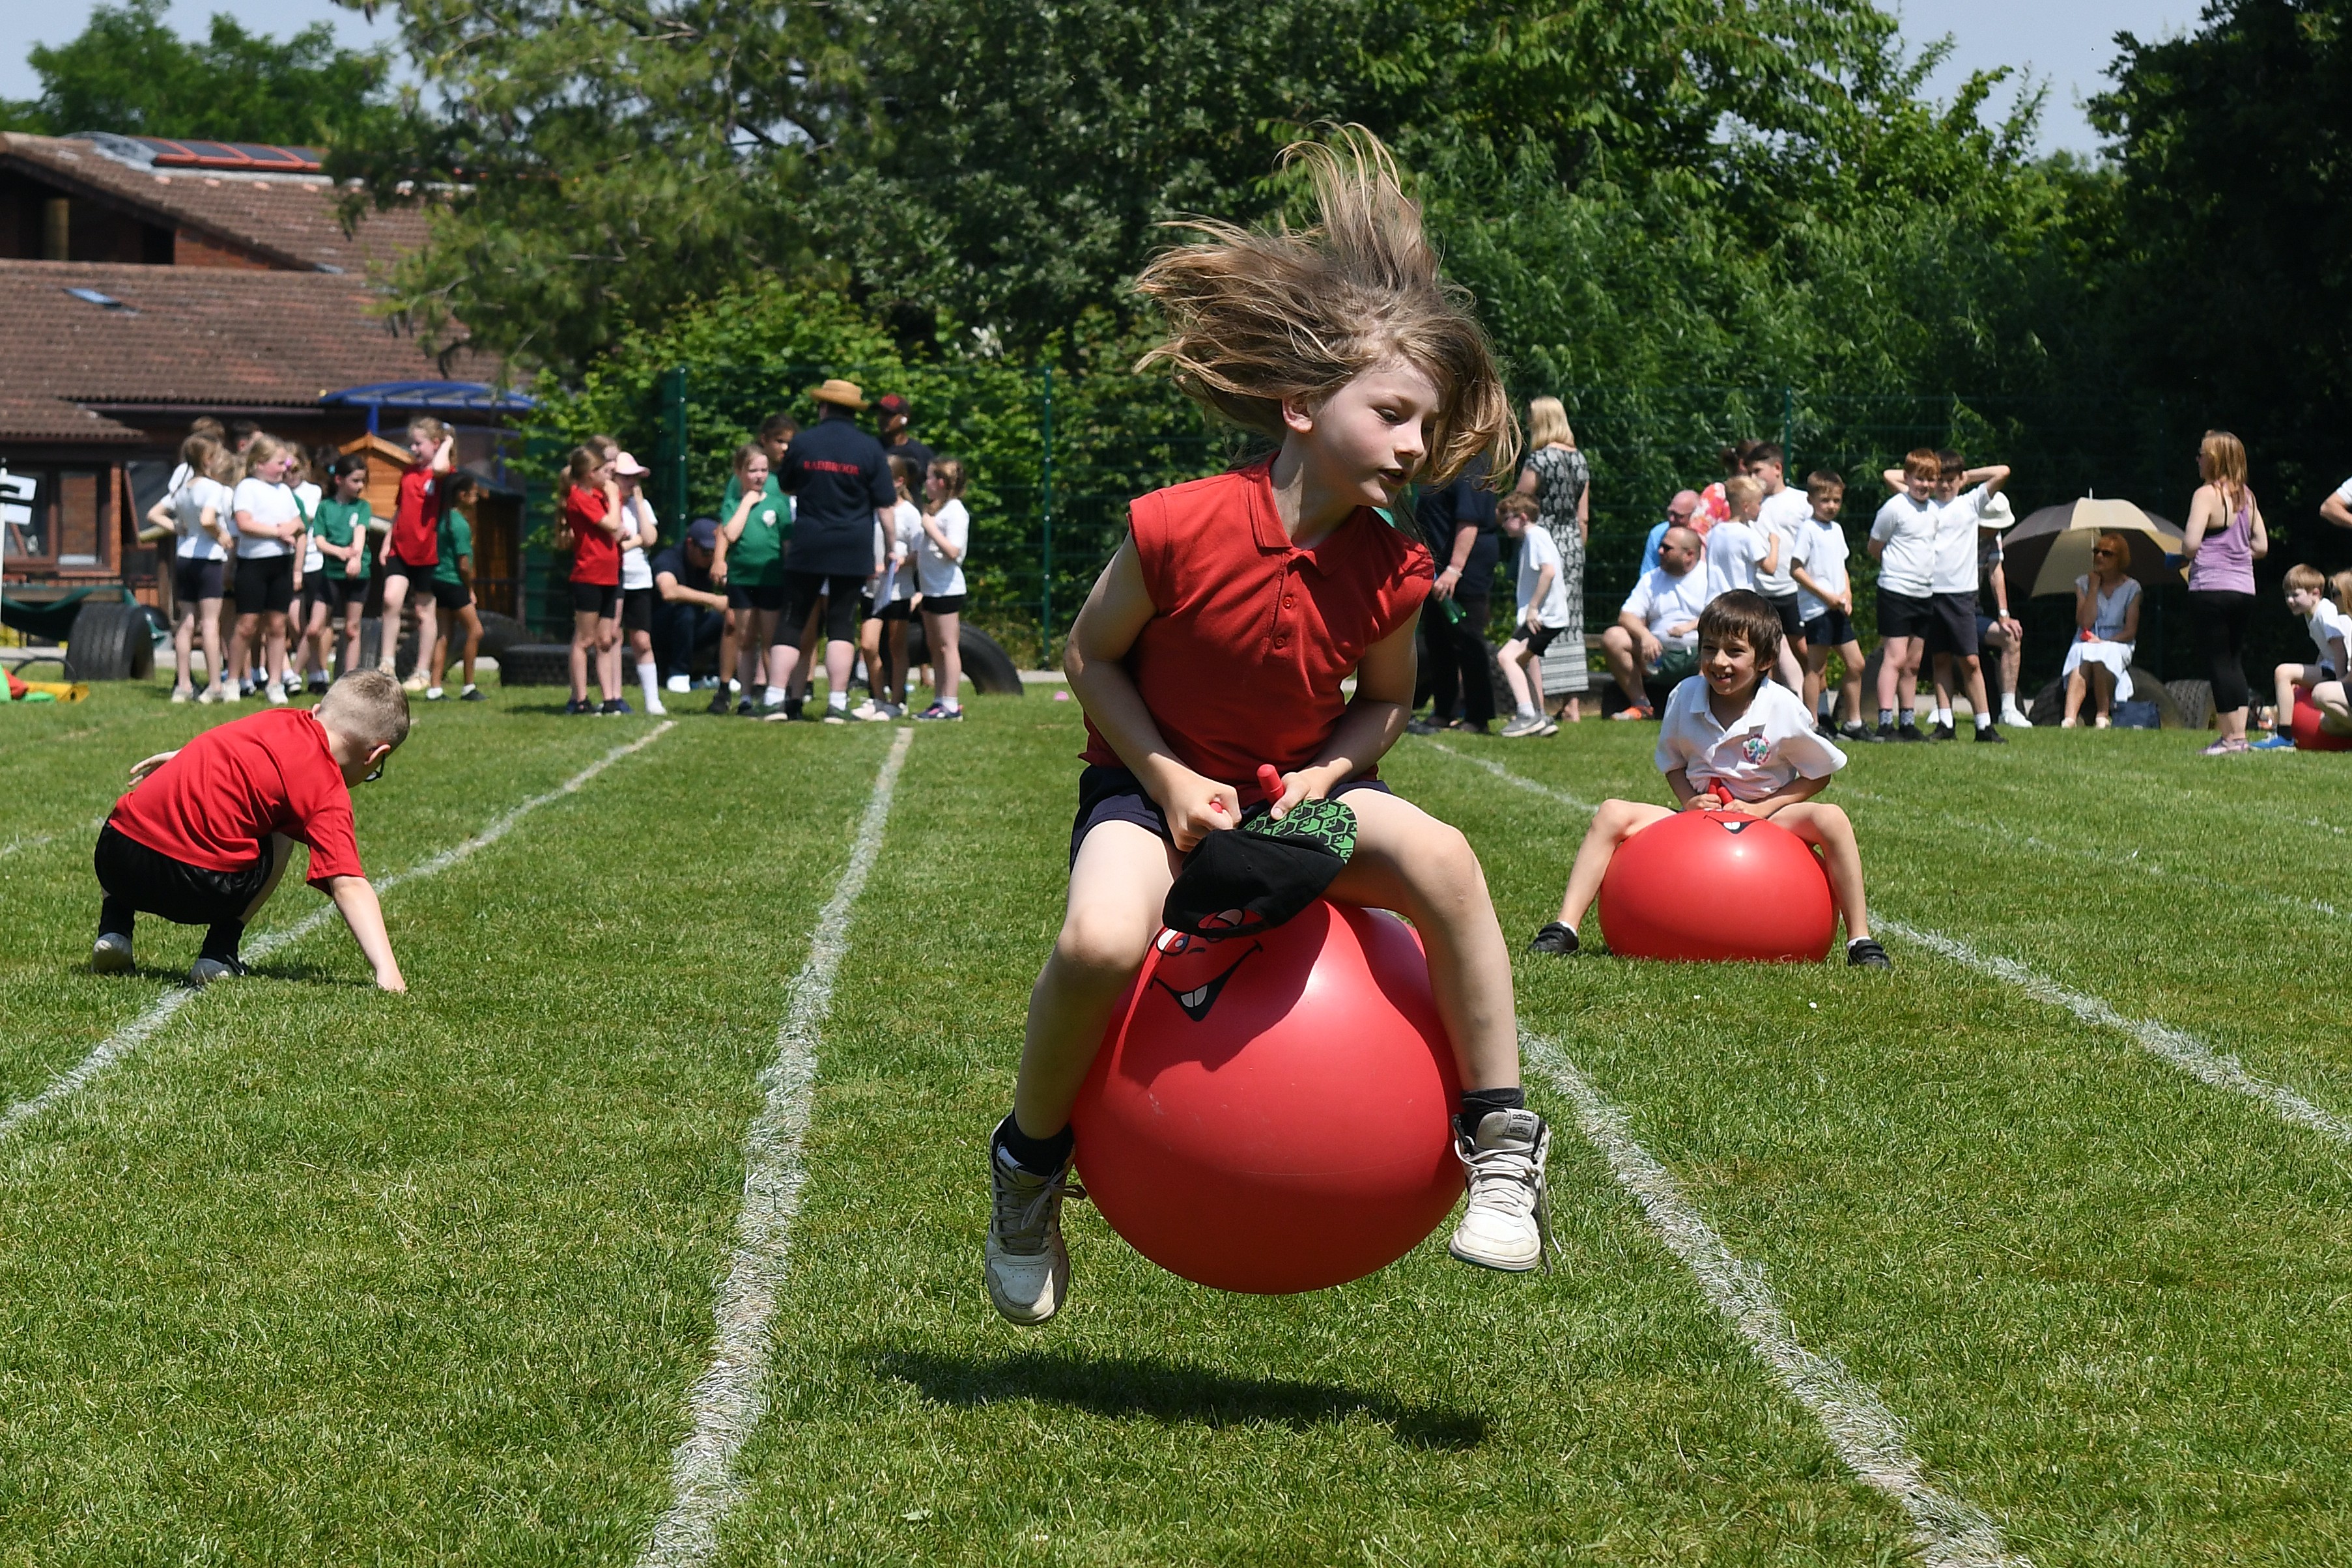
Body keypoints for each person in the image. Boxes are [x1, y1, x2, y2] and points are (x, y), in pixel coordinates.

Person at [985, 132, 1550, 1328]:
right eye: (1391, 413)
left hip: (1297, 800)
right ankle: (1028, 1170)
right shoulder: (1177, 525)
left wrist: (1327, 770)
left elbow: (1385, 700)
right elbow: (1088, 657)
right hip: (1151, 792)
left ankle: (1500, 1141)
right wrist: (1168, 780)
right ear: (1300, 405)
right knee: (1095, 941)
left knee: (1448, 859)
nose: (1413, 443)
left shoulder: (1393, 566)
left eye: (1425, 422)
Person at [1529, 590, 1890, 968]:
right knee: (1611, 812)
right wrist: (1688, 802)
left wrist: (1762, 807)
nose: (1719, 662)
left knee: (1831, 817)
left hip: (1768, 820)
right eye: (1709, 649)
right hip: (1697, 819)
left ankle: (1860, 940)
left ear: (1765, 660)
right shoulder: (1684, 696)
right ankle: (1565, 926)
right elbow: (1672, 763)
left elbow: (1820, 774)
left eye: (1735, 651)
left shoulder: (1783, 708)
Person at [89, 670, 410, 990]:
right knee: (283, 832)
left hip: (117, 858)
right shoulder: (327, 790)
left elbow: (230, 745)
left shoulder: (278, 717)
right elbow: (348, 885)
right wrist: (387, 971)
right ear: (375, 755)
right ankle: (219, 951)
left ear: (314, 711)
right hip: (199, 889)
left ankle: (114, 928)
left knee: (131, 812)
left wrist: (183, 758)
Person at [773, 379, 893, 724]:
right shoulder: (869, 448)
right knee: (841, 623)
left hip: (809, 540)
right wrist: (888, 549)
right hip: (852, 543)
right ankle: (837, 704)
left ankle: (774, 700)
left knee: (793, 619)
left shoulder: (804, 442)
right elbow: (885, 506)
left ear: (823, 407)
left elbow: (786, 484)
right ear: (854, 411)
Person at [1884, 447, 2010, 742]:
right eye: (1940, 479)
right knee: (1940, 659)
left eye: (1951, 479)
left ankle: (1984, 725)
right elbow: (1890, 476)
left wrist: (1966, 478)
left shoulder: (1971, 503)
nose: (1944, 485)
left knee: (1971, 660)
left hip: (1961, 595)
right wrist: (1928, 475)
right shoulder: (1924, 505)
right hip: (1929, 593)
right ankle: (1946, 723)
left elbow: (2002, 471)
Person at [2182, 429, 2268, 755]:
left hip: (2210, 587)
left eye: (2202, 454)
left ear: (2214, 459)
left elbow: (2191, 545)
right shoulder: (2247, 496)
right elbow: (2261, 545)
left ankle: (2229, 738)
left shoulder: (2205, 495)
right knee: (2234, 660)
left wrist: (2189, 550)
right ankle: (2241, 737)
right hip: (2244, 589)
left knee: (2217, 662)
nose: (2198, 459)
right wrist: (2238, 551)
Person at [1510, 397, 1589, 719]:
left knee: (1538, 617)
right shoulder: (1580, 459)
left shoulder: (1539, 460)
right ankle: (1572, 705)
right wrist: (1577, 548)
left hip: (1544, 541)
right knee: (1570, 621)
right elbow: (1583, 517)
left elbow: (1520, 503)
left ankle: (1537, 701)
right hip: (1572, 544)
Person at [1411, 454, 1500, 735]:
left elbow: (1469, 521)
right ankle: (1444, 710)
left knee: (1468, 639)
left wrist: (1454, 569)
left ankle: (1478, 716)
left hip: (1464, 570)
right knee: (1438, 640)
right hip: (1438, 571)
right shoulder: (1441, 468)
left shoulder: (1471, 468)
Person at [1789, 470, 1873, 742]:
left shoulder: (1836, 530)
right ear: (1811, 499)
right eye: (1825, 500)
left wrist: (1846, 594)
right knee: (1817, 667)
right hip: (1817, 610)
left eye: (1836, 500)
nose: (1832, 506)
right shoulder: (1808, 529)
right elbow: (1796, 570)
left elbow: (1842, 566)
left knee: (1857, 664)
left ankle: (1854, 722)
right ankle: (1812, 725)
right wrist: (1825, 596)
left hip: (1837, 608)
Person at [149, 432, 232, 704]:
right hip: (208, 559)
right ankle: (215, 686)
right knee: (210, 623)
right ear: (208, 459)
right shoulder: (214, 489)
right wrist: (222, 536)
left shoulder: (183, 489)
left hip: (184, 556)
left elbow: (154, 514)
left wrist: (177, 528)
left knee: (186, 621)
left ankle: (183, 685)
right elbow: (209, 519)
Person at [1869, 449, 1942, 742]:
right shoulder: (1894, 507)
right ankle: (1885, 722)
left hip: (1924, 593)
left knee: (1913, 662)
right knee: (1895, 658)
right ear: (1907, 477)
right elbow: (1875, 547)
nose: (1924, 485)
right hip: (1896, 592)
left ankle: (1908, 722)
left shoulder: (1934, 511)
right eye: (1919, 478)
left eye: (1931, 479)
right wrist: (1896, 570)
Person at [1601, 524, 1708, 719]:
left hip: (1697, 654)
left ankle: (1700, 709)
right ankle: (1641, 705)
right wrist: (1645, 636)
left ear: (1689, 554)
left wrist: (1691, 626)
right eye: (1661, 546)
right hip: (1656, 656)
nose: (1659, 551)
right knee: (1613, 637)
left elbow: (1720, 615)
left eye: (1667, 548)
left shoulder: (1710, 577)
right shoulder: (1652, 579)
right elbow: (1626, 615)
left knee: (1716, 642)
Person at [376, 419, 455, 684]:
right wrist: (388, 540)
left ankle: (421, 672)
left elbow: (442, 466)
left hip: (427, 553)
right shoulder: (408, 472)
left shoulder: (441, 473)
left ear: (434, 444)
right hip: (401, 548)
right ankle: (387, 663)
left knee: (424, 612)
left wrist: (448, 442)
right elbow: (399, 510)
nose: (413, 448)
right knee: (390, 599)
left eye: (419, 443)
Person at [229, 434, 305, 707]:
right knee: (247, 625)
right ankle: (233, 681)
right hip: (253, 564)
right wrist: (277, 532)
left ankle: (275, 681)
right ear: (260, 463)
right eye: (279, 462)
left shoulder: (284, 491)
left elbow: (297, 520)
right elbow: (245, 522)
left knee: (277, 625)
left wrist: (291, 528)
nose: (285, 467)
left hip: (281, 563)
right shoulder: (247, 488)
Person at [852, 456, 923, 721]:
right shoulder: (870, 509)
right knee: (869, 646)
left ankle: (896, 701)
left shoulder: (909, 513)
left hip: (898, 591)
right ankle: (878, 698)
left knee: (896, 646)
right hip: (872, 590)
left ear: (899, 481)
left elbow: (919, 551)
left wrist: (902, 562)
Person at [2256, 564, 2352, 748]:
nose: (2290, 601)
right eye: (2287, 595)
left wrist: (2339, 684)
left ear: (2315, 593)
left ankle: (2284, 736)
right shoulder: (2312, 614)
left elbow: (2339, 648)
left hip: (2338, 671)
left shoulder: (2325, 612)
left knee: (2283, 672)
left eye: (2295, 595)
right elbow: (2326, 650)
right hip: (2330, 668)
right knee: (2287, 675)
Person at [1495, 492, 1568, 736]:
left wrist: (1533, 608)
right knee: (1521, 661)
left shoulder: (1535, 536)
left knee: (1507, 657)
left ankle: (1526, 715)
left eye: (1507, 518)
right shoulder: (1534, 537)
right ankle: (1540, 717)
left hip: (1543, 616)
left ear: (1523, 517)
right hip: (1547, 615)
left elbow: (1548, 572)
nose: (1503, 524)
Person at [561, 444, 625, 716]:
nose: (606, 474)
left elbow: (620, 530)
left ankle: (610, 698)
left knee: (606, 639)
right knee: (584, 640)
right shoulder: (579, 497)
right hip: (589, 575)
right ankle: (581, 698)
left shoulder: (599, 495)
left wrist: (611, 499)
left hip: (609, 575)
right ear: (588, 473)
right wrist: (614, 496)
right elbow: (612, 525)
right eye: (600, 469)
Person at [2057, 531, 2143, 727]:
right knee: (2082, 655)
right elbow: (2085, 623)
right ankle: (2069, 718)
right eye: (2096, 551)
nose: (2099, 557)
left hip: (2118, 640)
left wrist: (2105, 642)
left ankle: (2102, 715)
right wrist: (2094, 588)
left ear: (2119, 559)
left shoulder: (2132, 588)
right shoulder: (2083, 583)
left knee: (2101, 656)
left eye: (2107, 553)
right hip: (2089, 637)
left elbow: (2130, 631)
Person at [1747, 443, 1814, 692]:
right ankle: (1768, 712)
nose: (1753, 478)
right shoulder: (1750, 505)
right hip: (1760, 592)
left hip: (1795, 591)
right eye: (1749, 473)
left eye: (1757, 471)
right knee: (1765, 656)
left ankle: (1820, 711)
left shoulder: (1801, 502)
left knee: (1806, 652)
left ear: (1777, 468)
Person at [912, 456, 972, 721]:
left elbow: (953, 551)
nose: (925, 483)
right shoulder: (939, 511)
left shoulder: (956, 511)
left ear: (940, 482)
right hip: (931, 589)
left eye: (928, 478)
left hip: (947, 590)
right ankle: (939, 700)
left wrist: (930, 528)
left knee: (948, 646)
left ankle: (951, 703)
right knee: (935, 646)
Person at [308, 451, 374, 692]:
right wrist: (341, 553)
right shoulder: (325, 507)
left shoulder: (362, 507)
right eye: (355, 481)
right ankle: (317, 674)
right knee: (314, 628)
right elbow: (320, 541)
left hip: (357, 573)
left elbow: (360, 534)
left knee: (351, 628)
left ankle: (349, 682)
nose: (359, 487)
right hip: (330, 574)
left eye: (362, 482)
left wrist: (354, 557)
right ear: (340, 480)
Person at [605, 451, 664, 716]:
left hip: (639, 579)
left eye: (635, 478)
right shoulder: (608, 505)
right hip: (614, 576)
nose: (631, 483)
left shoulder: (642, 506)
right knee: (612, 636)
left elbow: (650, 537)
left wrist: (639, 504)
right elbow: (613, 542)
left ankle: (653, 700)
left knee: (642, 640)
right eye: (626, 477)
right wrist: (633, 541)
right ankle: (614, 695)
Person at [423, 477, 487, 703]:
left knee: (444, 634)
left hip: (437, 580)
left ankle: (435, 688)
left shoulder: (442, 520)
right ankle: (469, 687)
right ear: (462, 495)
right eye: (474, 493)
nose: (477, 498)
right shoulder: (460, 524)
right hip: (453, 582)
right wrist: (469, 588)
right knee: (476, 630)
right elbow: (463, 564)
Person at [651, 518, 730, 690]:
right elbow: (669, 591)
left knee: (729, 617)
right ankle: (678, 674)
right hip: (661, 629)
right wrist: (715, 600)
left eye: (714, 552)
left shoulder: (712, 564)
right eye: (706, 552)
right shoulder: (669, 558)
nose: (710, 557)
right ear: (690, 544)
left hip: (692, 630)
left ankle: (716, 675)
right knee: (686, 611)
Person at [1975, 492, 2031, 729]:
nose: (1993, 530)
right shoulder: (1955, 529)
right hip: (1941, 609)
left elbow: (1996, 572)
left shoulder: (1994, 537)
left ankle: (2008, 709)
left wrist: (2004, 614)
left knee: (2011, 636)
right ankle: (1942, 711)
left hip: (1972, 612)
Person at [875, 393, 934, 481]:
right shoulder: (871, 449)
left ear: (905, 418)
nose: (883, 418)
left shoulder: (922, 453)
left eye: (889, 414)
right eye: (881, 413)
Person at [1641, 488, 1702, 565]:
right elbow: (1649, 573)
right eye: (1670, 513)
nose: (1671, 519)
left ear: (1695, 516)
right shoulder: (1658, 534)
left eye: (1679, 516)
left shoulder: (1706, 536)